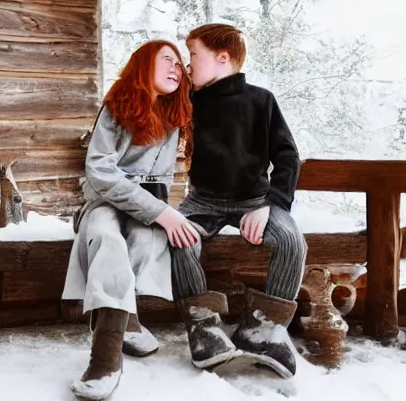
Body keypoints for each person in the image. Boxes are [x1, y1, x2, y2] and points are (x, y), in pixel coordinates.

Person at [62, 40, 197, 401]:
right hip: (107, 200)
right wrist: (162, 213)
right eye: (166, 59)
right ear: (143, 65)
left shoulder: (178, 112)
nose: (177, 68)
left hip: (150, 206)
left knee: (146, 241)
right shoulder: (117, 107)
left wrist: (161, 212)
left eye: (181, 64)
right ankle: (105, 358)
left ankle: (128, 320)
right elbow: (100, 171)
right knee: (107, 237)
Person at [173, 23, 307, 378]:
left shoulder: (261, 100)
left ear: (222, 58)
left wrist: (270, 205)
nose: (188, 65)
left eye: (193, 55)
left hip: (255, 200)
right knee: (177, 238)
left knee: (292, 241)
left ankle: (263, 329)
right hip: (203, 202)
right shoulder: (187, 100)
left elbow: (288, 156)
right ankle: (204, 327)